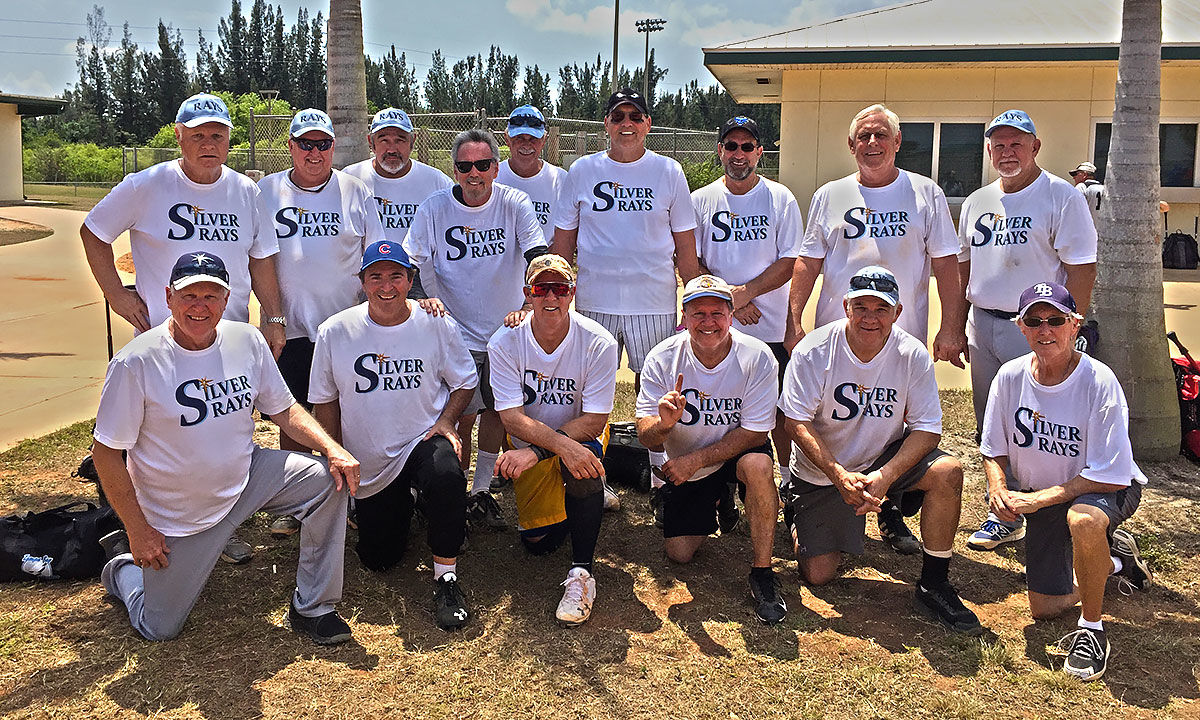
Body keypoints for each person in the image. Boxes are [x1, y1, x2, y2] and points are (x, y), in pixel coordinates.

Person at [93, 251, 359, 644]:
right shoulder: (136, 363)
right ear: (168, 297)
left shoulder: (246, 340)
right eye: (189, 296)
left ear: (227, 299)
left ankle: (314, 607)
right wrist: (138, 531)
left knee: (327, 480)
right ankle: (123, 568)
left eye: (210, 296)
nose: (199, 307)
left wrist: (331, 448)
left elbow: (283, 410)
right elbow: (105, 454)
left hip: (247, 476)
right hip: (182, 513)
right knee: (159, 628)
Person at [81, 92, 284, 566]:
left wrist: (273, 317)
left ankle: (217, 527)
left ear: (230, 139)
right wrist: (117, 295)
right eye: (198, 135)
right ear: (179, 136)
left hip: (226, 341)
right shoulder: (146, 185)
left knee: (223, 434)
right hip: (165, 344)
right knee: (156, 441)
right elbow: (94, 232)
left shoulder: (245, 191)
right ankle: (138, 526)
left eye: (218, 135)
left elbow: (261, 258)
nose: (208, 144)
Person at [787, 103, 965, 556]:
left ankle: (890, 509)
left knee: (895, 422)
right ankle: (819, 492)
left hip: (900, 336)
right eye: (863, 136)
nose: (872, 143)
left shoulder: (925, 194)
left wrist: (950, 326)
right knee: (835, 419)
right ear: (851, 145)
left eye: (881, 135)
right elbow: (808, 261)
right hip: (839, 335)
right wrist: (794, 321)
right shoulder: (830, 194)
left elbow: (946, 264)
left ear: (897, 142)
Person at [779, 266, 981, 635]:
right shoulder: (814, 351)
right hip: (824, 470)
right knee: (819, 575)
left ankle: (933, 584)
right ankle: (796, 510)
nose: (870, 318)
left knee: (948, 472)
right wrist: (838, 475)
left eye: (881, 309)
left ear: (897, 312)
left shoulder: (911, 353)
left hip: (882, 458)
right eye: (861, 307)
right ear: (845, 306)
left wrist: (886, 476)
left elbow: (927, 429)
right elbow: (796, 424)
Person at [979, 281, 1150, 681]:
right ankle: (1114, 561)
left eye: (1055, 320)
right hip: (1045, 496)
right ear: (1021, 328)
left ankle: (1092, 630)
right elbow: (993, 449)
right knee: (1044, 608)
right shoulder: (1009, 376)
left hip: (1106, 488)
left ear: (1074, 325)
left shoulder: (1099, 381)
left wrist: (1037, 501)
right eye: (1034, 321)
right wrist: (999, 488)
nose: (1045, 330)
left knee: (1084, 520)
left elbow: (1108, 476)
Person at [309, 241, 477, 630]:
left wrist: (448, 419)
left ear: (410, 279)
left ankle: (446, 578)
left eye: (396, 276)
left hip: (421, 439)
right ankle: (408, 503)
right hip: (370, 459)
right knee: (379, 558)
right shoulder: (335, 331)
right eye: (376, 277)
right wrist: (332, 453)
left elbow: (465, 381)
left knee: (446, 473)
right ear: (362, 282)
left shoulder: (436, 323)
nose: (387, 286)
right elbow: (325, 401)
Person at [551, 87, 702, 519]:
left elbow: (685, 247)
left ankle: (661, 480)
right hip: (595, 301)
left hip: (653, 301)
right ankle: (589, 477)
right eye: (618, 116)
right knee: (589, 391)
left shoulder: (669, 171)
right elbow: (563, 245)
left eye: (635, 116)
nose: (627, 124)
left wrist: (694, 298)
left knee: (654, 390)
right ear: (606, 124)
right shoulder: (582, 170)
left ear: (648, 124)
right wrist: (555, 294)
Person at [958, 110, 1098, 551]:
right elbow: (964, 267)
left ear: (1035, 147)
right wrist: (955, 326)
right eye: (998, 145)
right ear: (989, 151)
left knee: (1038, 423)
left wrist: (1069, 326)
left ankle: (1047, 508)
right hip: (984, 322)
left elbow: (1082, 268)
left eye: (1016, 143)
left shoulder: (1061, 196)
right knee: (993, 420)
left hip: (1039, 328)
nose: (1007, 152)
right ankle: (1003, 512)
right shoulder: (977, 201)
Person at [403, 128, 547, 531]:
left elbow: (537, 255)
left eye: (482, 165)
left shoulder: (514, 202)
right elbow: (410, 262)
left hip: (504, 330)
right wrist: (422, 298)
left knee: (499, 410)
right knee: (462, 416)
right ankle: (454, 495)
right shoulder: (435, 208)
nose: (474, 173)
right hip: (455, 331)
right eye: (465, 166)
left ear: (496, 169)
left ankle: (481, 492)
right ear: (454, 171)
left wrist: (528, 305)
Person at [636, 275, 785, 624]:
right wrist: (664, 425)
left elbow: (755, 432)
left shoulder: (758, 356)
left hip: (734, 451)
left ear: (731, 316)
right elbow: (645, 435)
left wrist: (695, 460)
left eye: (717, 313)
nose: (708, 322)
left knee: (758, 466)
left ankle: (762, 572)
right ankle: (720, 498)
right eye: (698, 313)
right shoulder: (662, 357)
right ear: (684, 316)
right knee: (679, 553)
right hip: (691, 462)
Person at [488, 255, 618, 624]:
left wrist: (544, 450)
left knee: (582, 469)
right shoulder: (504, 342)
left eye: (559, 288)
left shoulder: (598, 341)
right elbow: (511, 418)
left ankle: (582, 574)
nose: (551, 297)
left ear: (572, 293)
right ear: (527, 293)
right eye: (541, 288)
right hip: (530, 442)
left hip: (578, 436)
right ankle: (591, 495)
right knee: (539, 543)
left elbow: (594, 420)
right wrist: (548, 449)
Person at [255, 108, 385, 459]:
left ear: (333, 146)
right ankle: (302, 489)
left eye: (323, 144)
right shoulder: (266, 191)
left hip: (344, 326)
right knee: (294, 414)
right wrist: (272, 318)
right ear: (290, 146)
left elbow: (374, 258)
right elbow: (257, 258)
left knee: (341, 411)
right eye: (306, 144)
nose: (315, 152)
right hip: (289, 328)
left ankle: (344, 481)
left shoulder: (355, 191)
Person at [691, 114, 802, 517]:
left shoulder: (780, 198)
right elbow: (691, 259)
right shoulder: (701, 200)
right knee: (720, 409)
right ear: (720, 150)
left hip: (769, 327)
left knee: (779, 411)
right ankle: (720, 484)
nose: (739, 154)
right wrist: (729, 301)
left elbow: (791, 260)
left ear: (759, 152)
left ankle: (787, 480)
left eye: (747, 147)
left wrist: (746, 293)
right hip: (715, 329)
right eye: (731, 146)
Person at [343, 107, 453, 242]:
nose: (392, 149)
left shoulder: (438, 183)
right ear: (371, 143)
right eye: (384, 140)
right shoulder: (350, 179)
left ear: (412, 141)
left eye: (400, 140)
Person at [497, 104, 565, 246]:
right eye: (519, 138)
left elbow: (566, 233)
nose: (526, 145)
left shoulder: (559, 180)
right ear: (507, 139)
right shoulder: (493, 177)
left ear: (544, 140)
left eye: (533, 139)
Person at [1070, 161, 1104, 228]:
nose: (1074, 177)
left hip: (1086, 230)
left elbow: (1074, 211)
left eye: (1076, 174)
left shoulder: (1081, 187)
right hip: (1101, 230)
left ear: (1084, 174)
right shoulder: (1103, 188)